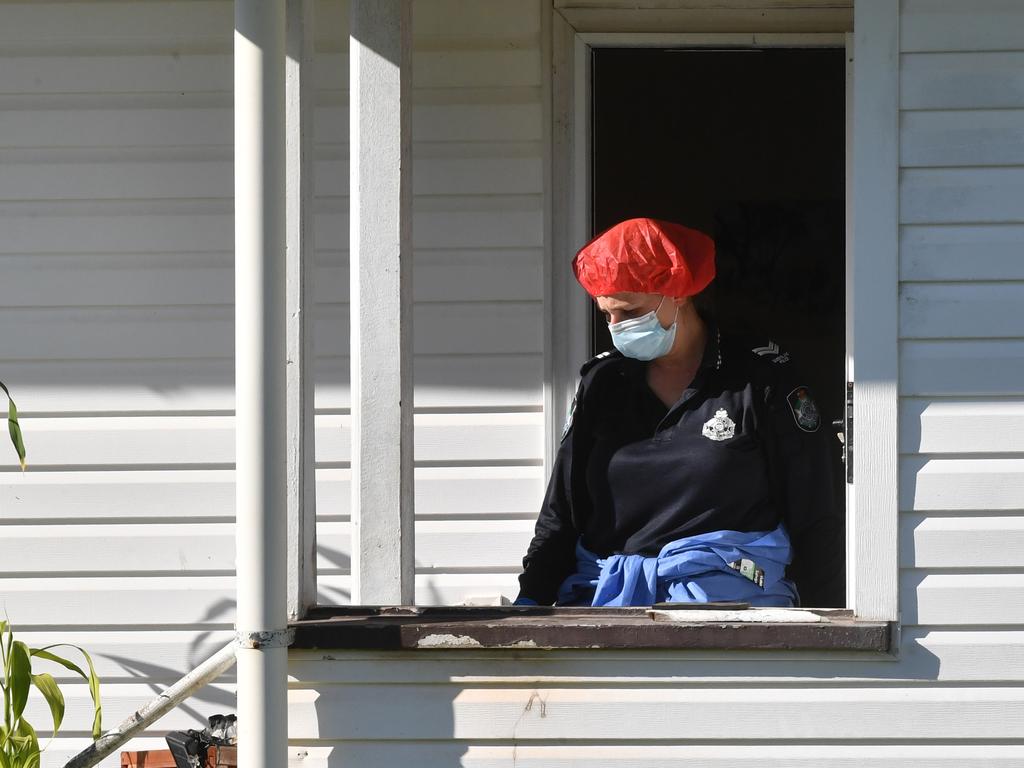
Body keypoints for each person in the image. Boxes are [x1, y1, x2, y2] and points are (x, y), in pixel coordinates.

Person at [515, 217, 844, 608]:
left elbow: (816, 511)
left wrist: (826, 617)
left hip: (732, 606)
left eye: (630, 312)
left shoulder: (760, 379)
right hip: (609, 600)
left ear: (678, 292)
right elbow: (561, 513)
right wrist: (530, 600)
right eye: (607, 315)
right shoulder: (601, 384)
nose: (616, 327)